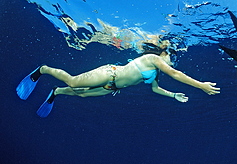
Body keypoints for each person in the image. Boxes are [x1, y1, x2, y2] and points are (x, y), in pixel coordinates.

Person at [16, 42, 221, 117]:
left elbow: (155, 89)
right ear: (164, 53)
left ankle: (56, 92)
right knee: (73, 82)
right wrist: (200, 85)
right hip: (109, 73)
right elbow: (176, 74)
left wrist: (173, 94)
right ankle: (42, 69)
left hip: (110, 87)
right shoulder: (153, 58)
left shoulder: (155, 73)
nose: (173, 61)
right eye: (172, 57)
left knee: (83, 95)